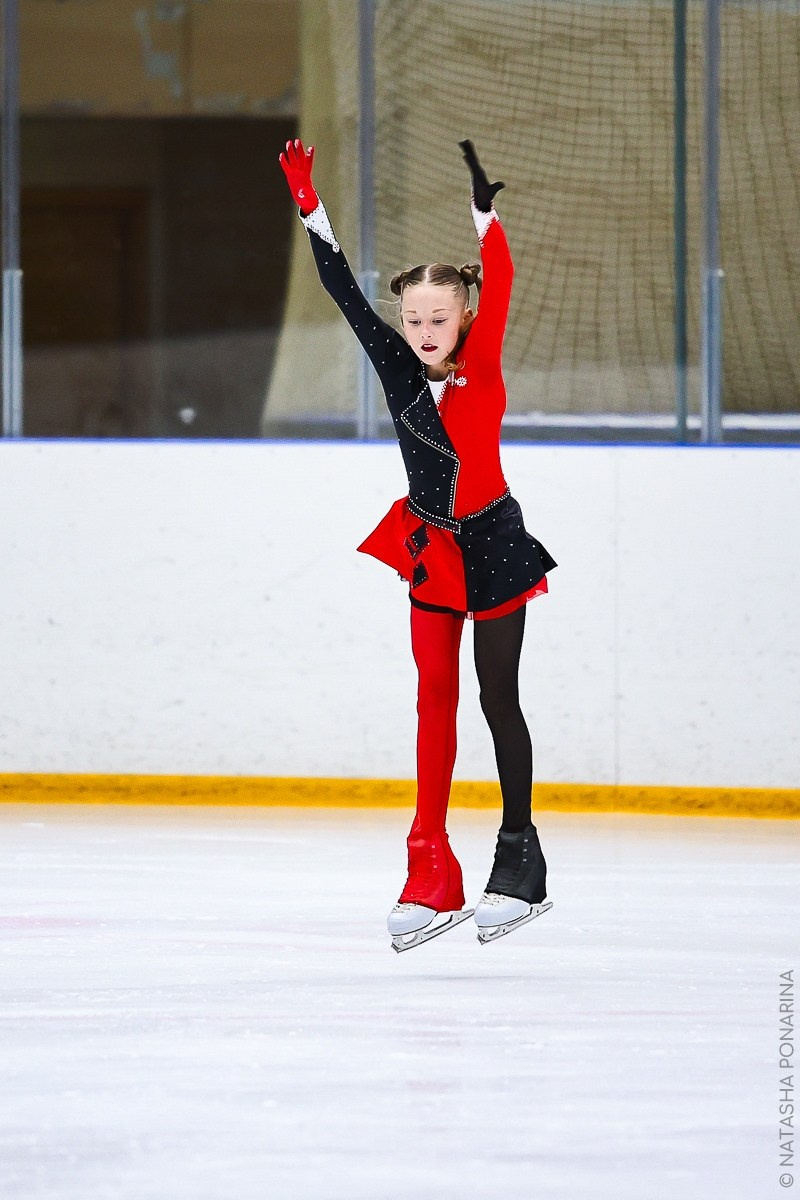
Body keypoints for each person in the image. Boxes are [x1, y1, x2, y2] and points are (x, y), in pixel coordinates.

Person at [279, 138, 556, 950]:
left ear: (463, 315)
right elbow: (339, 290)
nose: (424, 330)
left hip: (496, 545)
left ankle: (520, 862)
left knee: (495, 699)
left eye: (438, 318)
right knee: (431, 700)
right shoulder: (398, 369)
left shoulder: (488, 357)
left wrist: (484, 217)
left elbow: (499, 276)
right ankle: (428, 870)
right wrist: (310, 207)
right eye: (413, 319)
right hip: (432, 548)